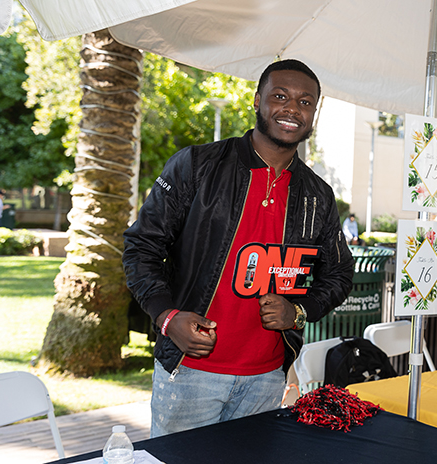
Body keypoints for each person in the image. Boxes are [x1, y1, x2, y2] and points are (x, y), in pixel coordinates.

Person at [123, 59, 354, 437]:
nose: (292, 109)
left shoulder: (318, 194)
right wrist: (167, 317)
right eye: (280, 96)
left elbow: (340, 272)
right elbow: (141, 247)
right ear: (256, 100)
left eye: (305, 101)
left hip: (266, 378)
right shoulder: (197, 165)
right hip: (191, 374)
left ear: (315, 111)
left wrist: (298, 310)